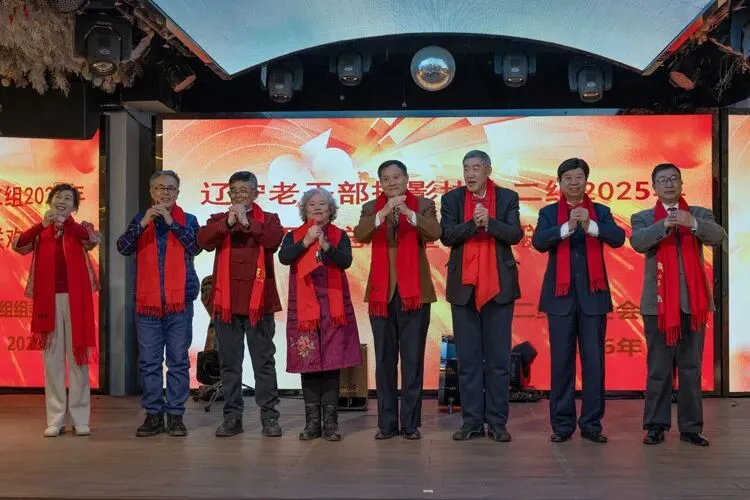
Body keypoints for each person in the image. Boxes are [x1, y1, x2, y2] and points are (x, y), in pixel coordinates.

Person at [631, 163, 725, 447]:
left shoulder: (698, 213)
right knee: (658, 370)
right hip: (657, 306)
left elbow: (718, 236)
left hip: (693, 305)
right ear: (654, 187)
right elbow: (638, 242)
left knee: (691, 368)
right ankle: (655, 426)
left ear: (682, 184)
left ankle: (691, 428)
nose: (669, 184)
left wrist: (691, 223)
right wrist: (664, 225)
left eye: (674, 178)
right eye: (663, 180)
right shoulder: (643, 217)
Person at [532, 158, 625, 443]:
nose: (574, 183)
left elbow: (618, 238)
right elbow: (539, 242)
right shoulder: (549, 213)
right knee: (561, 364)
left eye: (579, 177)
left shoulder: (601, 212)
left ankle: (592, 424)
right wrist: (568, 226)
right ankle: (562, 426)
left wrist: (591, 225)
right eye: (568, 178)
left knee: (594, 364)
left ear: (586, 181)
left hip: (593, 299)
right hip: (560, 299)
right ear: (559, 183)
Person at [353, 160, 441, 440]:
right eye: (386, 179)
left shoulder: (423, 204)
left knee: (412, 360)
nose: (391, 183)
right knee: (384, 361)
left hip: (415, 294)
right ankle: (386, 424)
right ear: (380, 183)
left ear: (406, 178)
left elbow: (434, 232)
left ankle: (411, 424)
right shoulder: (371, 208)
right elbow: (361, 234)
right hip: (382, 294)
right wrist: (384, 212)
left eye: (396, 177)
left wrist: (408, 213)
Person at [440, 150, 523, 442]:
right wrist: (472, 225)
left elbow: (514, 234)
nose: (470, 174)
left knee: (498, 361)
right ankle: (472, 421)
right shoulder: (451, 199)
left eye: (476, 168)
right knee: (468, 361)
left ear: (488, 170)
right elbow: (447, 236)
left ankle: (497, 423)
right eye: (466, 168)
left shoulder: (507, 198)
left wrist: (489, 222)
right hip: (463, 289)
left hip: (498, 288)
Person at [197, 170, 284, 438]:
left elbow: (273, 241)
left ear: (255, 193)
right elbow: (203, 241)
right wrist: (228, 223)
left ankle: (269, 416)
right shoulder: (219, 220)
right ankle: (232, 417)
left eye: (243, 191)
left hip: (259, 304)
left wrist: (247, 222)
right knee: (229, 364)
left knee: (263, 362)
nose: (238, 195)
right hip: (227, 304)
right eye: (233, 191)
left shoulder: (269, 219)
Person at [117, 170, 201, 437]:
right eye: (160, 188)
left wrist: (171, 223)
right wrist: (143, 224)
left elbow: (195, 247)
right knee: (150, 363)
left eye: (171, 188)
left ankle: (175, 415)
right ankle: (153, 415)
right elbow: (123, 248)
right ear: (151, 192)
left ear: (178, 192)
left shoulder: (189, 220)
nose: (166, 193)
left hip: (179, 303)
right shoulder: (139, 220)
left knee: (178, 362)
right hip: (148, 305)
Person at [14, 183, 100, 437]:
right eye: (58, 197)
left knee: (78, 361)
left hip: (76, 301)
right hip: (48, 301)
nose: (62, 201)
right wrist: (43, 224)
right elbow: (19, 244)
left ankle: (80, 418)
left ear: (74, 207)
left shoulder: (81, 228)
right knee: (52, 362)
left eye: (68, 199)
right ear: (50, 201)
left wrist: (66, 224)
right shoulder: (40, 230)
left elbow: (90, 240)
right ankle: (55, 419)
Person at [279, 188, 362, 441]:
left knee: (332, 365)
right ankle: (312, 424)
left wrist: (326, 245)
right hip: (304, 311)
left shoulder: (339, 235)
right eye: (311, 204)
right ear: (304, 209)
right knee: (309, 364)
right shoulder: (293, 235)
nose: (317, 208)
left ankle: (331, 424)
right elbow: (284, 257)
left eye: (322, 204)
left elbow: (345, 262)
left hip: (333, 310)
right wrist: (305, 242)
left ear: (331, 210)